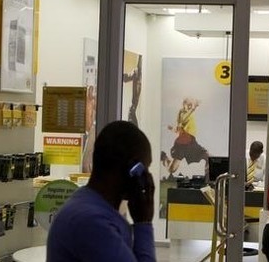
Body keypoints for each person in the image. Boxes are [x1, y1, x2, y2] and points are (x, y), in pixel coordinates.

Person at [47, 120, 156, 262]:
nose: (146, 177)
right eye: (143, 169)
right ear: (131, 169)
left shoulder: (88, 206)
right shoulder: (93, 223)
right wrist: (144, 223)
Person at [162, 97, 210, 178]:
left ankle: (207, 179)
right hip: (181, 144)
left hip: (191, 141)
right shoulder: (182, 113)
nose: (190, 107)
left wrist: (172, 128)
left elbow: (178, 130)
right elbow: (183, 120)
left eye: (191, 105)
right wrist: (193, 109)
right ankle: (164, 157)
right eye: (189, 105)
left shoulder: (188, 114)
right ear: (184, 105)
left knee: (207, 156)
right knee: (172, 170)